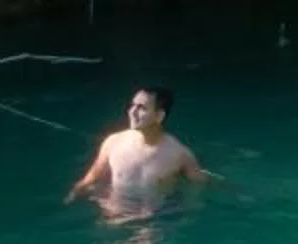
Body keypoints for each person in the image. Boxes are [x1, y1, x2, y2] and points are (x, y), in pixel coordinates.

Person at [66, 87, 215, 207]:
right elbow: (91, 178)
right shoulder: (113, 142)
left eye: (142, 108)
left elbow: (198, 186)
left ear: (159, 116)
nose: (133, 112)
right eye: (132, 105)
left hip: (154, 220)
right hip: (114, 216)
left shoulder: (179, 154)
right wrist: (73, 194)